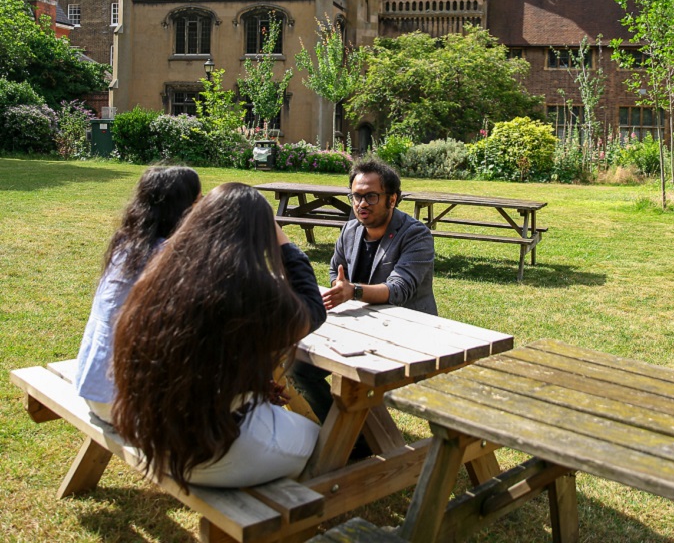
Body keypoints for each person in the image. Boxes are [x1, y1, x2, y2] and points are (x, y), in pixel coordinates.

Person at [111, 183, 326, 491]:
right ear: (259, 235)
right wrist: (283, 240)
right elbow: (312, 310)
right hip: (209, 454)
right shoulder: (250, 288)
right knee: (323, 441)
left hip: (153, 436)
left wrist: (249, 385)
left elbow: (200, 355)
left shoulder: (161, 274)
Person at [292, 157, 436, 428]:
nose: (361, 204)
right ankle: (351, 437)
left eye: (371, 196)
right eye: (356, 196)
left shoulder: (416, 235)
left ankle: (356, 435)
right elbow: (336, 272)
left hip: (409, 333)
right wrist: (341, 288)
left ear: (392, 199)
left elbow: (399, 289)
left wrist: (353, 292)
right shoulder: (350, 230)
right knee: (296, 366)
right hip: (361, 327)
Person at [74, 166, 202, 423]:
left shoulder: (125, 245)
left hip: (94, 388)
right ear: (183, 207)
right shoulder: (172, 255)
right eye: (199, 200)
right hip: (129, 404)